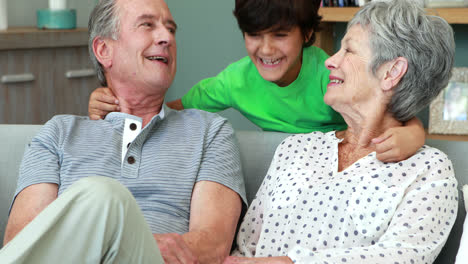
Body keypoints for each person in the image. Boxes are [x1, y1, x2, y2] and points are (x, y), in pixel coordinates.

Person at [0, 0, 246, 263]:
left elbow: (212, 244)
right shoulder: (58, 134)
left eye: (171, 29)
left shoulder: (210, 132)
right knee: (103, 196)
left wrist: (132, 243)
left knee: (106, 197)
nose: (166, 37)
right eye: (147, 25)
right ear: (104, 50)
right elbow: (21, 243)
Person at [223, 0, 458, 263]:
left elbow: (399, 257)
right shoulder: (295, 148)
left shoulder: (428, 170)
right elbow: (245, 249)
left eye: (348, 50)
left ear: (392, 72)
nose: (330, 61)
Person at [88, 0, 426, 163]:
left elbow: (390, 114)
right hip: (287, 176)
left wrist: (413, 135)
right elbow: (163, 112)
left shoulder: (332, 74)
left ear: (307, 33)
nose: (265, 49)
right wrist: (110, 103)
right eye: (254, 35)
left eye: (279, 35)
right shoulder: (235, 80)